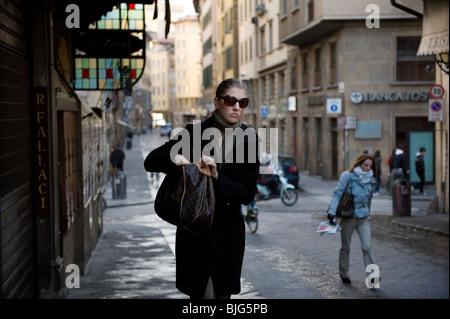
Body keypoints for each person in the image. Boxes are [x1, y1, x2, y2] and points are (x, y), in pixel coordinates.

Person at [144, 78, 259, 299]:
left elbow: (247, 193)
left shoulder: (249, 139)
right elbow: (151, 160)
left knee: (222, 297)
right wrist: (176, 159)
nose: (237, 107)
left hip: (227, 237)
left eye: (242, 102)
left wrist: (217, 176)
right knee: (200, 297)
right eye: (230, 100)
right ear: (217, 102)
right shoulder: (195, 133)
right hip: (194, 235)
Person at [327, 153, 378, 285]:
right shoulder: (348, 176)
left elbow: (369, 200)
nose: (368, 168)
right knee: (346, 247)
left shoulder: (371, 179)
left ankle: (373, 278)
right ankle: (344, 273)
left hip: (364, 218)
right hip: (349, 216)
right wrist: (331, 212)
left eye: (370, 166)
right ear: (359, 164)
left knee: (367, 247)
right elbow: (337, 194)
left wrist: (368, 214)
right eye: (366, 165)